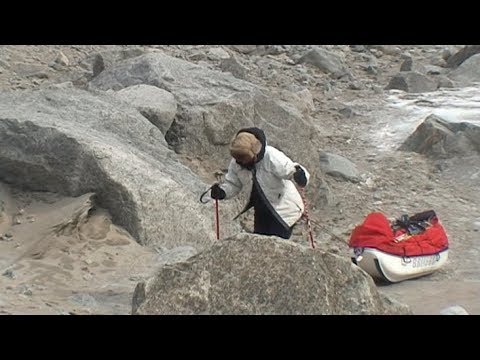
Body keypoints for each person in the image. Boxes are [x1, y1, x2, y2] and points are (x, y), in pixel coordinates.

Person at [209, 127, 310, 240]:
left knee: (275, 245)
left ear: (254, 153)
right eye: (238, 159)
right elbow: (233, 184)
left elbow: (292, 169)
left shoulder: (272, 156)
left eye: (243, 159)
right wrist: (223, 192)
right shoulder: (236, 163)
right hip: (261, 209)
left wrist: (301, 176)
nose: (240, 162)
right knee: (260, 241)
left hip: (284, 210)